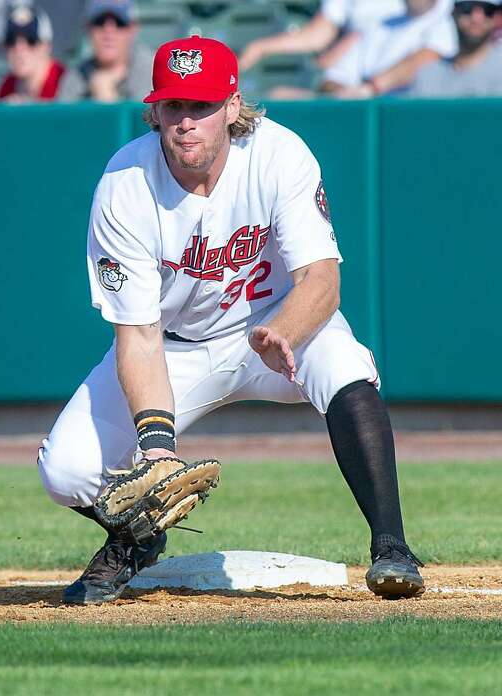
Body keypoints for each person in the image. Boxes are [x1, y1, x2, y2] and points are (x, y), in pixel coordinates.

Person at [37, 36, 425, 605]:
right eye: (174, 106)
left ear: (234, 106)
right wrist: (158, 445)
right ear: (154, 112)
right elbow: (139, 335)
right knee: (65, 471)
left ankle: (392, 545)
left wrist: (285, 331)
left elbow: (321, 279)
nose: (187, 121)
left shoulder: (278, 154)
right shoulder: (125, 184)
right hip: (174, 348)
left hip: (272, 327)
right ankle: (136, 539)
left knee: (344, 363)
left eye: (202, 106)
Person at [319, 0, 457, 97]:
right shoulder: (378, 26)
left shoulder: (446, 20)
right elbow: (335, 76)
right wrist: (342, 92)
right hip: (365, 114)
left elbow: (427, 58)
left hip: (412, 115)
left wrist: (371, 88)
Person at [240, 0, 407, 71]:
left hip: (406, 87)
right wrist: (261, 47)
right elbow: (317, 36)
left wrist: (360, 40)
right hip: (350, 78)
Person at [410, 0, 502, 96]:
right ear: (453, 12)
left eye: (488, 10)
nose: (476, 18)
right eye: (468, 8)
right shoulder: (427, 76)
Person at [0, 3, 84, 102]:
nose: (19, 49)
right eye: (11, 41)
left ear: (47, 47)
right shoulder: (7, 86)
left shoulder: (67, 82)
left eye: (31, 40)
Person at [77, 0, 151, 103]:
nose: (108, 31)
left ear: (133, 29)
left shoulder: (152, 71)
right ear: (88, 28)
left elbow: (148, 117)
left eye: (119, 23)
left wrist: (105, 95)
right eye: (100, 22)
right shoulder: (78, 74)